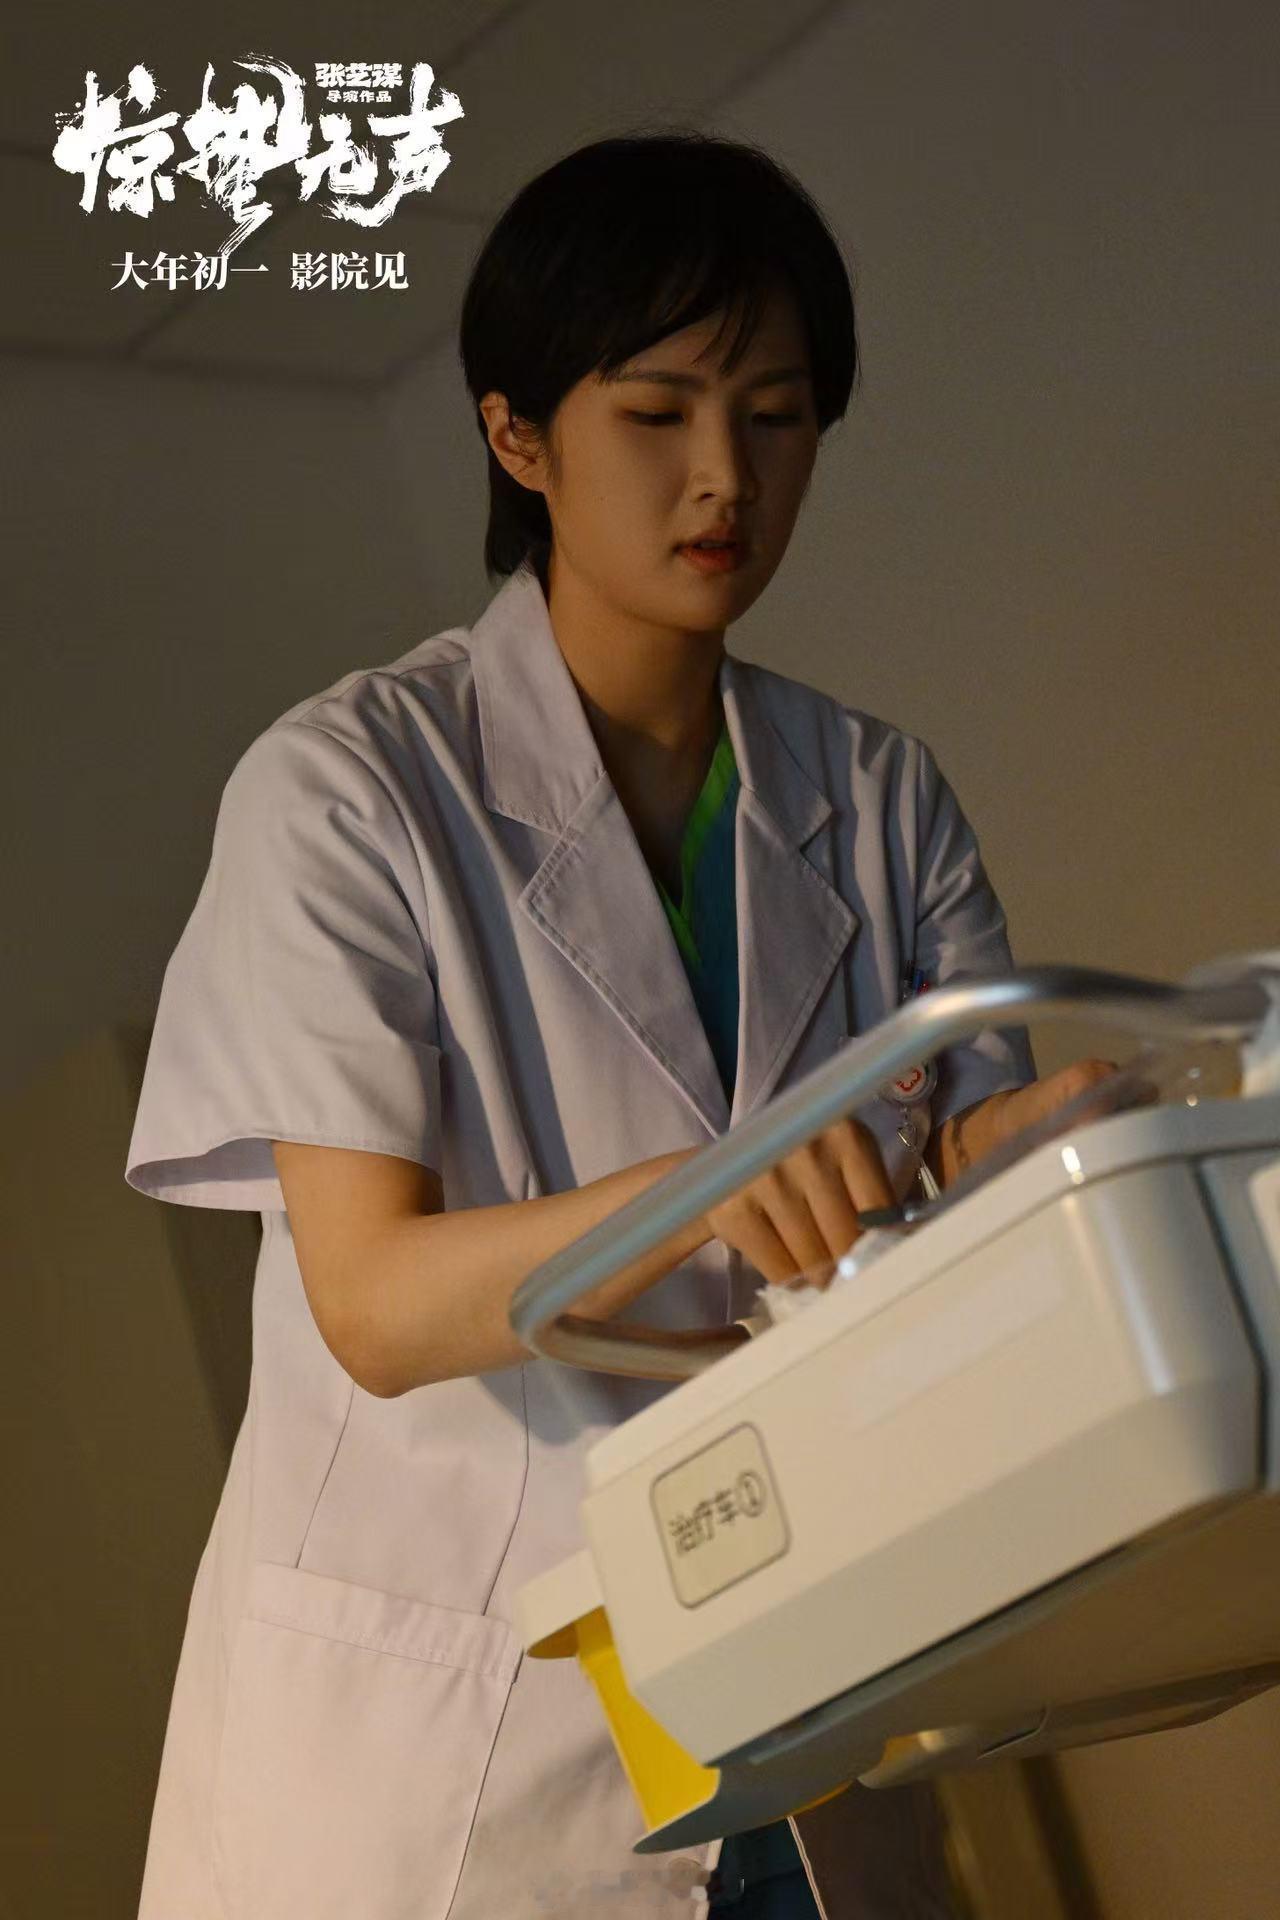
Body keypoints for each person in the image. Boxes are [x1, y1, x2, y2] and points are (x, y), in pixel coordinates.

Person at [125, 130, 1111, 1920]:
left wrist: (1038, 1161)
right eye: (658, 412)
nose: (726, 475)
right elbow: (376, 1304)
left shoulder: (879, 801)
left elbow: (945, 1221)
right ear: (519, 437)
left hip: (808, 1715)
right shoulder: (351, 789)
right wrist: (709, 1191)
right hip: (448, 1769)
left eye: (779, 415)